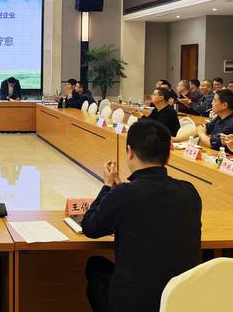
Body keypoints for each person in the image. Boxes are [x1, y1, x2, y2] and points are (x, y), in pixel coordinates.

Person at [82, 119, 201, 312]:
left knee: (95, 267)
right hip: (180, 300)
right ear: (168, 157)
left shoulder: (124, 195)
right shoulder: (189, 191)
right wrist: (118, 193)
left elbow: (90, 227)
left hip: (135, 304)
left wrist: (107, 187)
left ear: (130, 152)